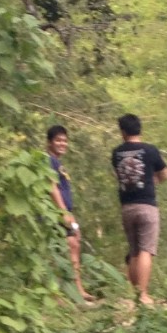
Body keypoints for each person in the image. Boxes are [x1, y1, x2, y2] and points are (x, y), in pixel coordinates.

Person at [110, 113, 167, 307]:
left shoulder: (116, 153)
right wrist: (154, 180)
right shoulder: (150, 150)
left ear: (123, 132)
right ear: (140, 129)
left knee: (134, 251)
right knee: (146, 250)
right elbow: (165, 175)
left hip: (127, 206)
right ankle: (143, 295)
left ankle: (133, 294)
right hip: (147, 205)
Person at [47, 124, 94, 303]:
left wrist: (72, 218)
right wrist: (63, 213)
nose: (62, 144)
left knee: (74, 245)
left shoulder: (59, 164)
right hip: (55, 213)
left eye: (65, 141)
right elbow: (52, 187)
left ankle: (78, 289)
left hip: (65, 212)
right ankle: (57, 294)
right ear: (49, 142)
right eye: (58, 140)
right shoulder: (47, 160)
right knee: (60, 250)